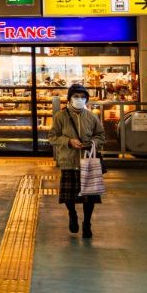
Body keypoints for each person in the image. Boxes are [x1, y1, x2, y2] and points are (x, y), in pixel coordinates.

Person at [48, 84, 105, 238]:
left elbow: (101, 135)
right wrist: (68, 141)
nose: (80, 99)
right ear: (69, 99)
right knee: (69, 196)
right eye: (76, 96)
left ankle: (87, 223)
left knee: (90, 196)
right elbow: (52, 137)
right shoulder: (61, 116)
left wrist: (93, 142)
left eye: (83, 97)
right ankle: (72, 214)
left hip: (88, 161)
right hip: (69, 161)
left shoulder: (92, 116)